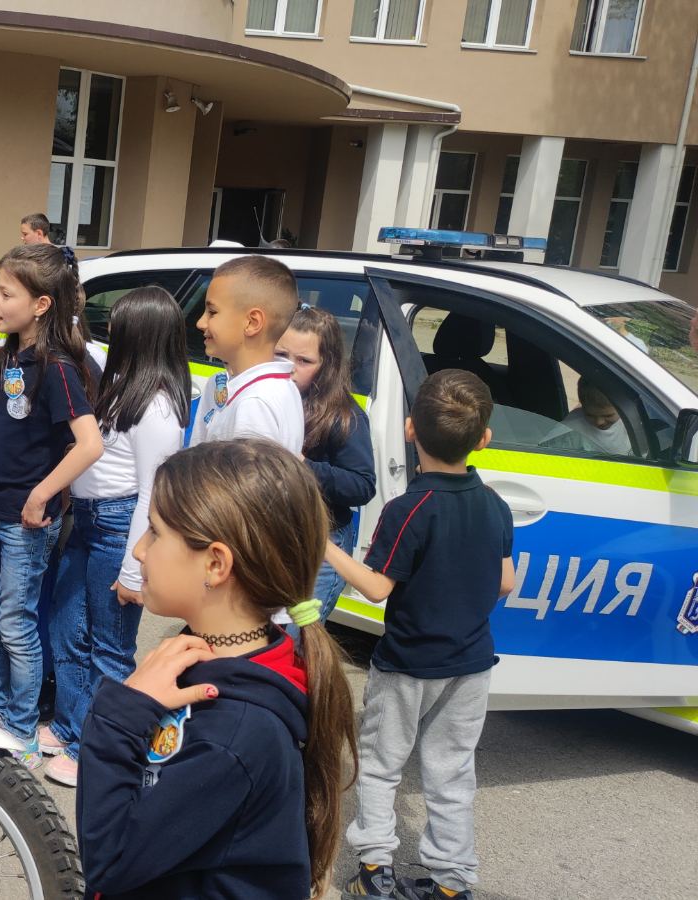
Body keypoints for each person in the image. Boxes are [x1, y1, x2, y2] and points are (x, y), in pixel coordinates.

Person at [77, 440, 356, 900]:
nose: (140, 550)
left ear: (215, 563)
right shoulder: (218, 663)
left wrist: (119, 715)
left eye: (155, 532)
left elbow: (110, 858)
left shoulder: (236, 735)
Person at [324, 369, 515, 900]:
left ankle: (374, 871)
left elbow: (376, 588)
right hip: (471, 664)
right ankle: (452, 882)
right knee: (452, 773)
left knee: (381, 766)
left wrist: (326, 545)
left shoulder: (409, 510)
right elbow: (506, 582)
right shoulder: (495, 505)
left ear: (410, 430)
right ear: (483, 439)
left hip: (407, 664)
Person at [41, 286, 190, 787]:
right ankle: (70, 725)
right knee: (67, 629)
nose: (109, 334)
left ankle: (98, 748)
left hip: (118, 528)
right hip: (87, 523)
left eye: (119, 326)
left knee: (109, 647)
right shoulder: (120, 382)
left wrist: (133, 569)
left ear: (141, 335)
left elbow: (153, 492)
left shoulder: (158, 406)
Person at [0, 242, 103, 768]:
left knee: (16, 624)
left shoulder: (58, 368)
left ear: (42, 304)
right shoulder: (8, 355)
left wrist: (41, 494)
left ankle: (22, 728)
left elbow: (90, 444)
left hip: (25, 522)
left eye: (6, 294)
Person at [276, 305, 375, 630]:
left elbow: (362, 485)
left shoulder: (345, 416)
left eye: (304, 361)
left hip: (323, 542)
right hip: (276, 532)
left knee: (296, 637)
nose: (289, 368)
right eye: (281, 355)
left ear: (327, 365)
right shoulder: (271, 398)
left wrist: (305, 466)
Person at [189, 255, 304, 454]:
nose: (200, 323)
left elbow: (250, 476)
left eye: (212, 312)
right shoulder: (234, 385)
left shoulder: (255, 404)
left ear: (252, 323)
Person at [562, 377, 632, 456]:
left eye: (608, 416)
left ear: (623, 408)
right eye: (589, 415)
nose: (599, 422)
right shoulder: (569, 430)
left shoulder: (632, 420)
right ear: (583, 406)